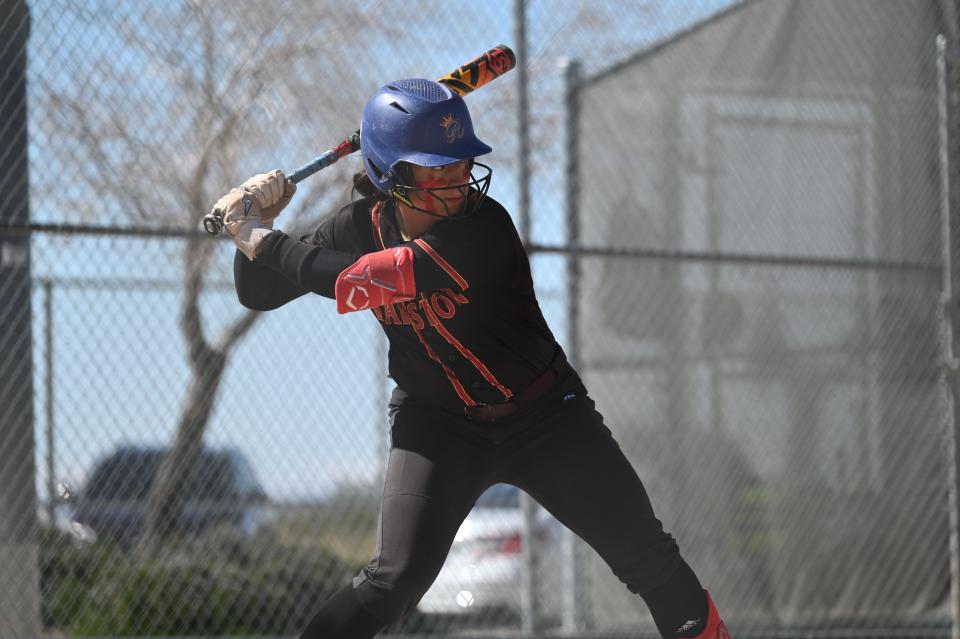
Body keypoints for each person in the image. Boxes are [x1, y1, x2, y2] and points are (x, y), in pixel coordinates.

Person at [212, 78, 732, 639]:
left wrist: (259, 236)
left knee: (647, 558)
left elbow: (355, 283)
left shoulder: (483, 227)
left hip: (545, 418)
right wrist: (258, 220)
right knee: (394, 581)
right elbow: (258, 291)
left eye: (460, 163)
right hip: (437, 427)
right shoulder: (359, 226)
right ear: (393, 175)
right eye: (436, 168)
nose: (457, 180)